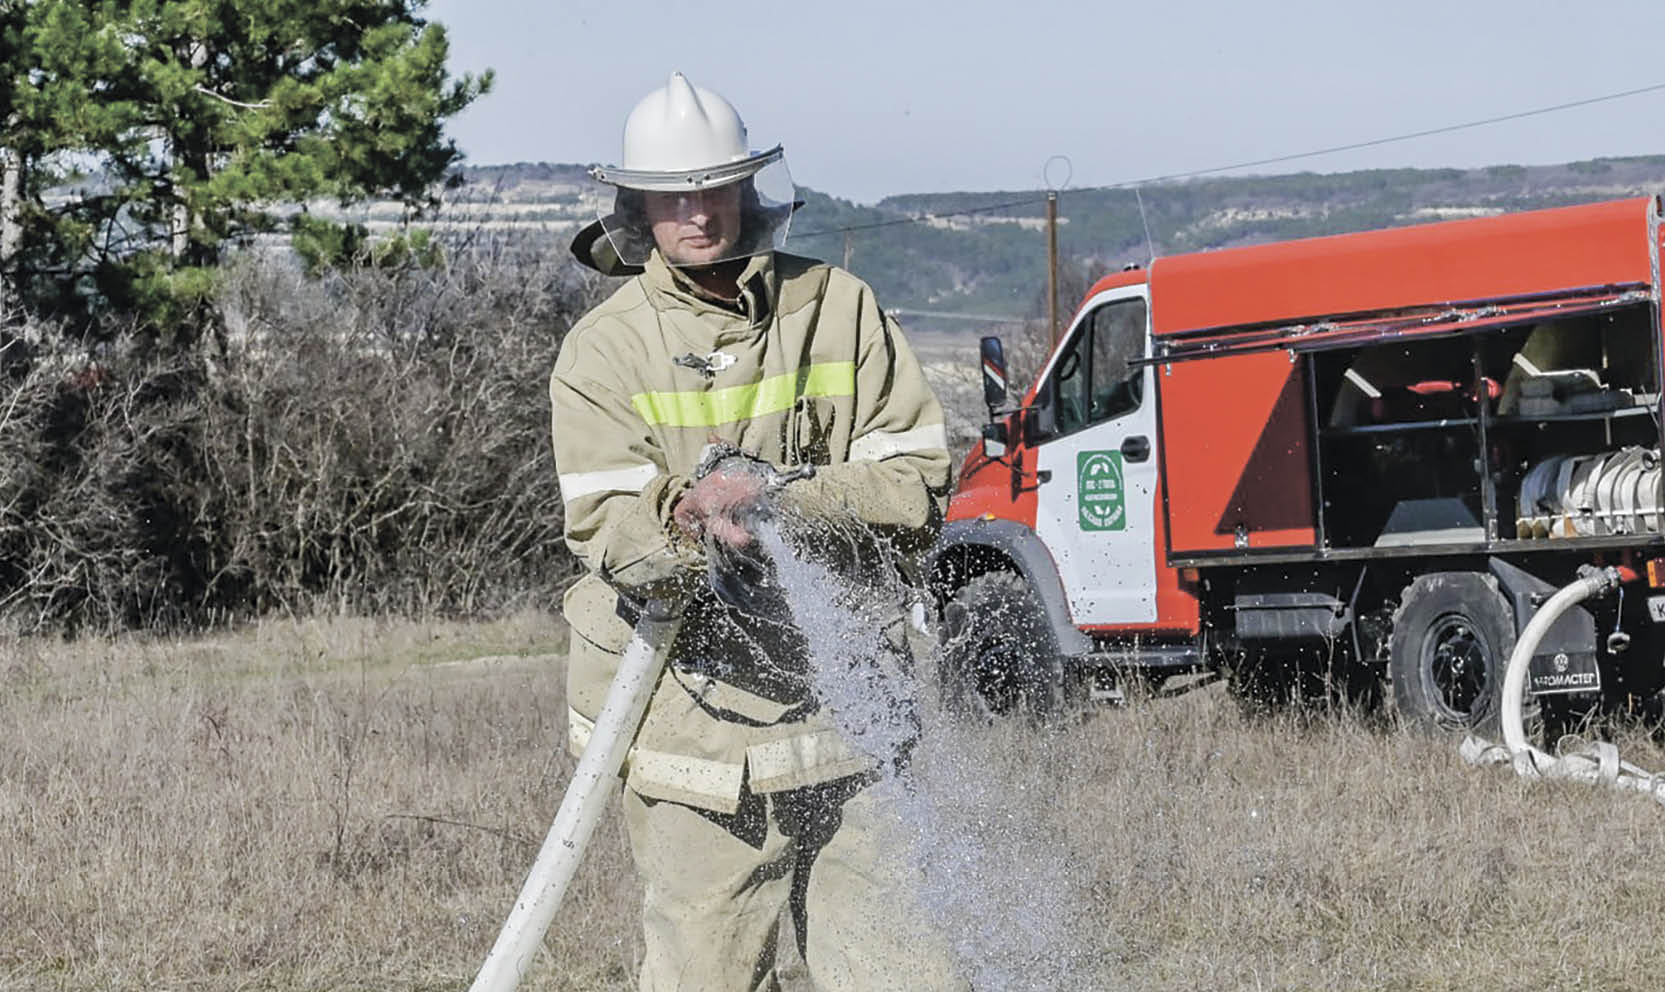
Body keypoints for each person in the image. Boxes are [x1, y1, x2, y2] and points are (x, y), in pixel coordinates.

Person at [551, 72, 965, 991]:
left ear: (748, 189)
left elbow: (914, 486)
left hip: (848, 704)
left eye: (715, 186)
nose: (697, 211)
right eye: (673, 193)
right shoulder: (605, 347)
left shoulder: (839, 308)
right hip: (688, 720)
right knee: (706, 969)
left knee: (909, 968)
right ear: (637, 205)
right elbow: (604, 523)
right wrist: (686, 521)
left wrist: (777, 496)